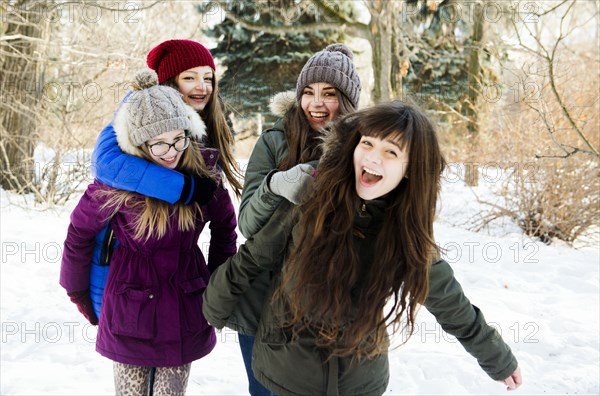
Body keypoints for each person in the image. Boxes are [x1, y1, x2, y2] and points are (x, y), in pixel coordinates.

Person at [202, 101, 523, 395]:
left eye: (391, 152)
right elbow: (255, 256)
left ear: (410, 168)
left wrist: (496, 356)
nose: (372, 157)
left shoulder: (404, 234)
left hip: (358, 379)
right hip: (286, 369)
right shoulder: (312, 200)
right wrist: (211, 307)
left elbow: (449, 301)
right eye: (367, 143)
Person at [60, 70, 237, 395]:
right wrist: (77, 291)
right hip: (129, 306)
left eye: (178, 140)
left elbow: (226, 228)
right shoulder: (115, 187)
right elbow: (78, 236)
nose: (171, 152)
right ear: (139, 145)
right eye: (158, 144)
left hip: (185, 305)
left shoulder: (204, 179)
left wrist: (217, 282)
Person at [230, 43, 362, 396]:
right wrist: (274, 185)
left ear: (347, 100)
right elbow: (247, 224)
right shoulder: (274, 142)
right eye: (308, 92)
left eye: (329, 94)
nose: (316, 103)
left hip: (329, 299)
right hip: (264, 297)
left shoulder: (365, 149)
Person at [92, 39, 242, 204]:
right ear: (168, 83)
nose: (202, 87)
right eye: (189, 78)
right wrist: (183, 188)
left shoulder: (208, 116)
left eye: (207, 78)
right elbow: (105, 163)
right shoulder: (137, 109)